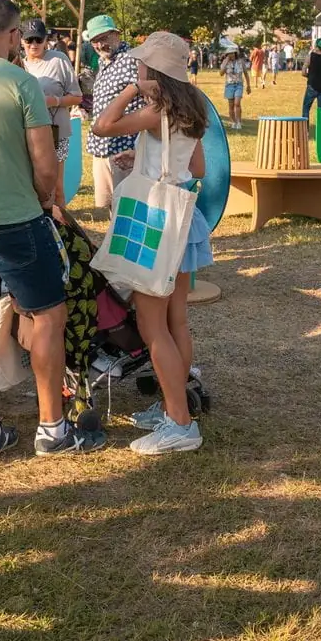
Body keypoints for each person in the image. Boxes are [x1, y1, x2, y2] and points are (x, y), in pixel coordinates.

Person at [0, 0, 105, 462]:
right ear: (13, 36)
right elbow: (45, 161)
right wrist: (47, 199)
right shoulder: (21, 82)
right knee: (49, 316)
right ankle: (52, 429)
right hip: (16, 218)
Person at [91, 31, 212, 455]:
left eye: (141, 65)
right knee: (176, 321)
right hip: (183, 220)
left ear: (153, 71)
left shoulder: (156, 108)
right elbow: (195, 165)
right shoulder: (191, 107)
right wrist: (145, 157)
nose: (136, 68)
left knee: (151, 325)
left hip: (155, 224)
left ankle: (180, 424)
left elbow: (101, 125)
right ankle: (173, 406)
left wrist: (129, 91)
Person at [85, 14, 144, 213]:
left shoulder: (133, 59)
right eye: (95, 41)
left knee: (127, 206)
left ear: (116, 34)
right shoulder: (103, 61)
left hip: (124, 146)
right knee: (110, 205)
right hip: (102, 146)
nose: (100, 45)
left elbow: (151, 98)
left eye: (104, 38)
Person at [21, 17, 82, 206]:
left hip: (56, 131)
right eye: (29, 40)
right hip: (27, 133)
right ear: (21, 40)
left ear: (46, 40)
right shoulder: (18, 65)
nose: (34, 44)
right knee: (32, 187)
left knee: (56, 190)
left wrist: (53, 101)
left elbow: (77, 97)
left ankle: (60, 232)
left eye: (38, 39)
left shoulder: (59, 60)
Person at [302, 38, 321, 119]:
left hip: (312, 86)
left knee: (306, 108)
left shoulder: (310, 56)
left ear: (316, 45)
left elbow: (303, 72)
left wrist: (309, 75)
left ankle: (305, 129)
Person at [220, 47, 249, 130]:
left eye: (233, 53)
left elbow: (246, 73)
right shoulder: (225, 62)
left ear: (235, 53)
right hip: (229, 85)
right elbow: (221, 73)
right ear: (227, 55)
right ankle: (233, 122)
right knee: (231, 105)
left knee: (237, 103)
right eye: (229, 53)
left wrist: (248, 86)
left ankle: (239, 122)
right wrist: (225, 62)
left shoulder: (240, 62)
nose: (231, 54)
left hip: (239, 84)